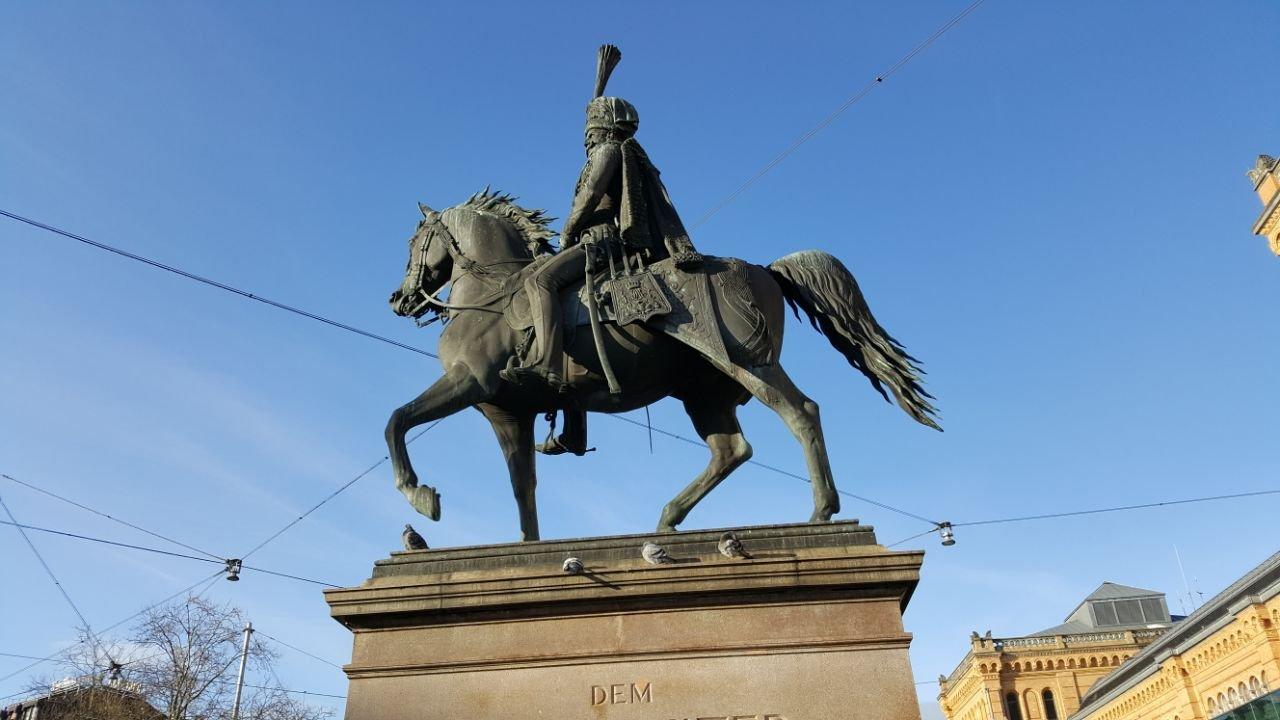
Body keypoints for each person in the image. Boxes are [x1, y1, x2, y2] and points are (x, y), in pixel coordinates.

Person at [500, 46, 701, 455]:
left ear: (605, 128)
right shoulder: (608, 150)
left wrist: (570, 230)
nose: (585, 137)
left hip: (602, 243)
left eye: (591, 129)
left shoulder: (608, 152)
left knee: (540, 281)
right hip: (598, 244)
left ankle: (546, 366)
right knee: (577, 322)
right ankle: (575, 426)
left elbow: (589, 197)